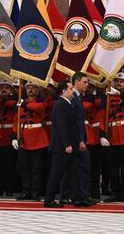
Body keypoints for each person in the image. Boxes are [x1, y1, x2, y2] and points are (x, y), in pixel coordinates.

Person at [60, 72, 97, 207]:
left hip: (77, 138)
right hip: (75, 139)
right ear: (76, 82)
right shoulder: (73, 97)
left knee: (78, 168)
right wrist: (80, 139)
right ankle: (79, 195)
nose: (87, 85)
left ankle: (75, 195)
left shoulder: (77, 97)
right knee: (80, 167)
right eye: (85, 82)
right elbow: (75, 122)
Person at [102, 72, 124, 203]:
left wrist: (118, 93)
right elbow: (102, 115)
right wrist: (102, 135)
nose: (119, 83)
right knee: (113, 167)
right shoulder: (108, 97)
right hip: (112, 135)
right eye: (117, 81)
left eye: (121, 81)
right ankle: (114, 192)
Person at [44, 80, 79, 208]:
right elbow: (61, 126)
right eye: (70, 88)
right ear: (64, 91)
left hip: (68, 146)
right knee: (56, 174)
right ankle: (49, 199)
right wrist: (67, 144)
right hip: (61, 147)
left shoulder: (67, 104)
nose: (73, 90)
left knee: (71, 172)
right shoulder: (60, 105)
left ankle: (71, 196)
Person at [12, 81, 48, 201]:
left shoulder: (40, 101)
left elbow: (38, 108)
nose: (30, 90)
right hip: (24, 137)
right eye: (28, 88)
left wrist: (23, 105)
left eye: (33, 88)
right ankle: (25, 191)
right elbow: (16, 121)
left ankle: (35, 192)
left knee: (36, 168)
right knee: (24, 168)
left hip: (37, 138)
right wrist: (14, 137)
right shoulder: (21, 103)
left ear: (37, 90)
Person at [0, 78, 17, 197]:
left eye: (7, 88)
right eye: (2, 87)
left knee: (9, 165)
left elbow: (11, 104)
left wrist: (5, 99)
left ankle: (9, 188)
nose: (4, 90)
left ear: (11, 90)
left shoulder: (13, 100)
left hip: (9, 136)